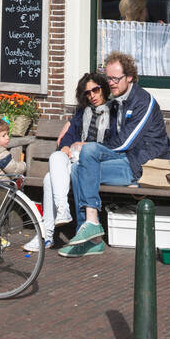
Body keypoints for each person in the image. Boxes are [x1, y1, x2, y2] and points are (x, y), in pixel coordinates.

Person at [59, 51, 170, 258]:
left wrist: (89, 148)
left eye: (115, 79)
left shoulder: (142, 101)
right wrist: (71, 122)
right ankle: (90, 235)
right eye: (108, 78)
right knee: (77, 169)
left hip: (142, 164)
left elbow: (126, 142)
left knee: (89, 151)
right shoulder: (116, 98)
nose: (110, 83)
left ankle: (92, 226)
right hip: (124, 159)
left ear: (129, 77)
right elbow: (89, 111)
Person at [24, 70, 111, 252]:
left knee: (49, 180)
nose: (92, 96)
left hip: (94, 163)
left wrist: (85, 144)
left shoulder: (114, 110)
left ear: (103, 88)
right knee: (56, 157)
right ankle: (59, 215)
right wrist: (65, 146)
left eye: (95, 90)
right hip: (75, 157)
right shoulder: (82, 112)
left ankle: (47, 235)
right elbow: (70, 135)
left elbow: (113, 142)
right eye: (87, 93)